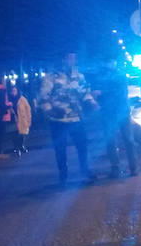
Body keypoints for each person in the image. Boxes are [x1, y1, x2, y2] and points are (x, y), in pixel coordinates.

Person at [39, 53, 98, 185]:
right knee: (60, 149)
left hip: (76, 118)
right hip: (58, 120)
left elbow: (85, 93)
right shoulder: (51, 77)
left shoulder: (79, 76)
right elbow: (43, 97)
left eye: (74, 58)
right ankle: (63, 176)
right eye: (70, 58)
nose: (73, 60)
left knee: (82, 147)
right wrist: (50, 110)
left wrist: (92, 102)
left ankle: (85, 171)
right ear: (63, 59)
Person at [97, 61, 137, 178]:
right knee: (113, 141)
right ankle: (119, 168)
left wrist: (102, 93)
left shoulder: (119, 75)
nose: (109, 64)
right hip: (112, 112)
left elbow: (119, 92)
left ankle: (131, 167)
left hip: (120, 111)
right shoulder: (104, 76)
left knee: (127, 140)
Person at [11, 85, 31, 156]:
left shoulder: (22, 99)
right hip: (13, 120)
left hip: (22, 119)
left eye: (15, 91)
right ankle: (17, 148)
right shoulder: (9, 100)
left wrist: (29, 119)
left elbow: (28, 109)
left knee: (22, 134)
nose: (13, 93)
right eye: (12, 91)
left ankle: (21, 145)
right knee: (14, 134)